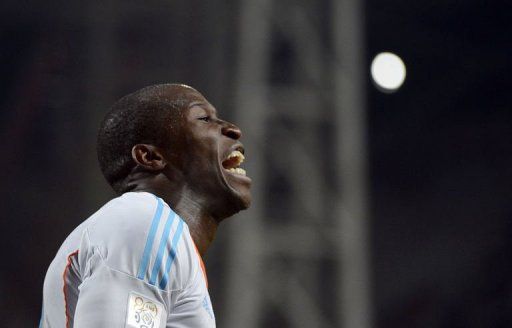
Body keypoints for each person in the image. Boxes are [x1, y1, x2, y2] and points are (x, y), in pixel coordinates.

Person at [40, 83, 252, 328]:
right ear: (151, 157)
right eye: (204, 119)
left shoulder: (157, 236)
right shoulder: (142, 219)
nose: (233, 129)